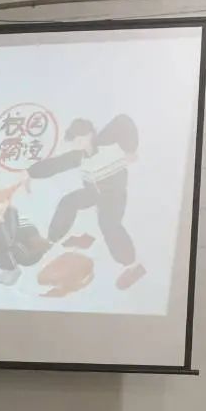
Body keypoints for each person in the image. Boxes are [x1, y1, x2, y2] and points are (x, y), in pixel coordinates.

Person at [26, 114, 146, 290]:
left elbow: (123, 121)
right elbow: (56, 164)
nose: (80, 143)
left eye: (82, 138)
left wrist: (130, 149)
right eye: (76, 141)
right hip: (93, 192)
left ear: (90, 134)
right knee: (69, 202)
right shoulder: (79, 156)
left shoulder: (107, 143)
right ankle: (51, 240)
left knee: (109, 224)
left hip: (113, 195)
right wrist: (29, 173)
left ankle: (133, 266)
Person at [0, 185, 51, 286]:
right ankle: (9, 268)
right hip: (16, 250)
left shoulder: (11, 215)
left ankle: (12, 269)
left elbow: (9, 239)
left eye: (1, 204)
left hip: (27, 253)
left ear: (7, 203)